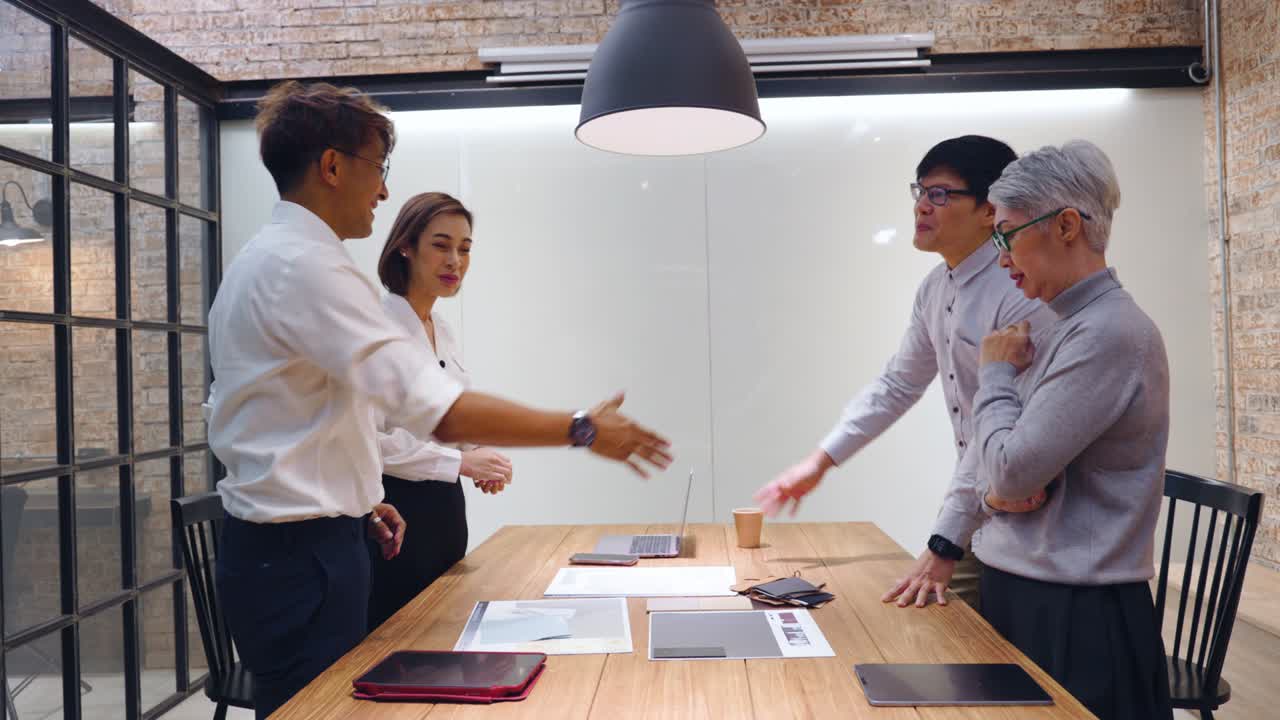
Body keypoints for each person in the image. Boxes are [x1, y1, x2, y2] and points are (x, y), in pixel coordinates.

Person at [207, 81, 672, 718]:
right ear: (333, 166)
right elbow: (439, 412)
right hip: (298, 558)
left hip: (315, 542)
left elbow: (294, 416)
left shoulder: (272, 258)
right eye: (378, 169)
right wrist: (582, 428)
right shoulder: (304, 266)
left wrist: (364, 498)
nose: (384, 189)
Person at [753, 135, 1054, 609]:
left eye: (940, 194)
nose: (922, 207)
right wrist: (820, 461)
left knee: (933, 628)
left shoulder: (1019, 290)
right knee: (918, 616)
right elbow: (898, 384)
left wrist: (944, 541)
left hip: (1038, 523)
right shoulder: (936, 287)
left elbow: (1004, 426)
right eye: (920, 192)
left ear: (988, 209)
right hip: (983, 506)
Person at [962, 139, 1173, 719]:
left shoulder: (1107, 333)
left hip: (1076, 610)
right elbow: (998, 473)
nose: (1000, 255)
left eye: (1006, 233)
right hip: (1030, 587)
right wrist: (992, 493)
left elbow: (1009, 466)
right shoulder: (1059, 325)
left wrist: (995, 374)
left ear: (1067, 226)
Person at [366, 192, 511, 630]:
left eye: (465, 249)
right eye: (441, 245)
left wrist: (478, 451)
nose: (455, 260)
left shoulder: (440, 327)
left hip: (446, 509)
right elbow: (369, 441)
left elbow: (446, 414)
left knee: (445, 638)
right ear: (406, 246)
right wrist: (461, 461)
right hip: (395, 512)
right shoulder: (377, 329)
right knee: (403, 647)